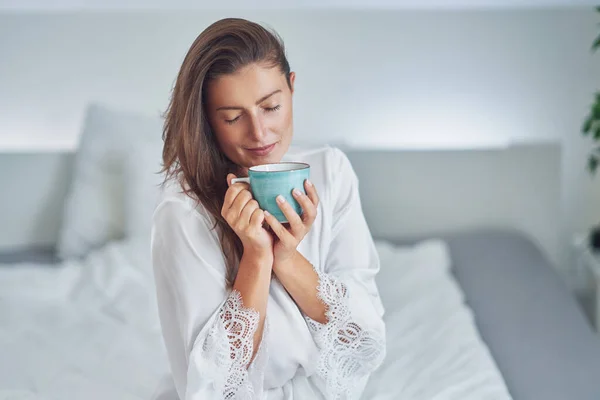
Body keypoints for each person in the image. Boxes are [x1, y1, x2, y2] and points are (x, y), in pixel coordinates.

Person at [151, 17, 386, 400]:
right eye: (232, 117)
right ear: (208, 120)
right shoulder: (181, 215)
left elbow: (365, 341)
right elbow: (213, 385)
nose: (259, 133)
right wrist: (256, 259)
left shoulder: (331, 171)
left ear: (292, 89)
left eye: (271, 106)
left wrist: (288, 259)